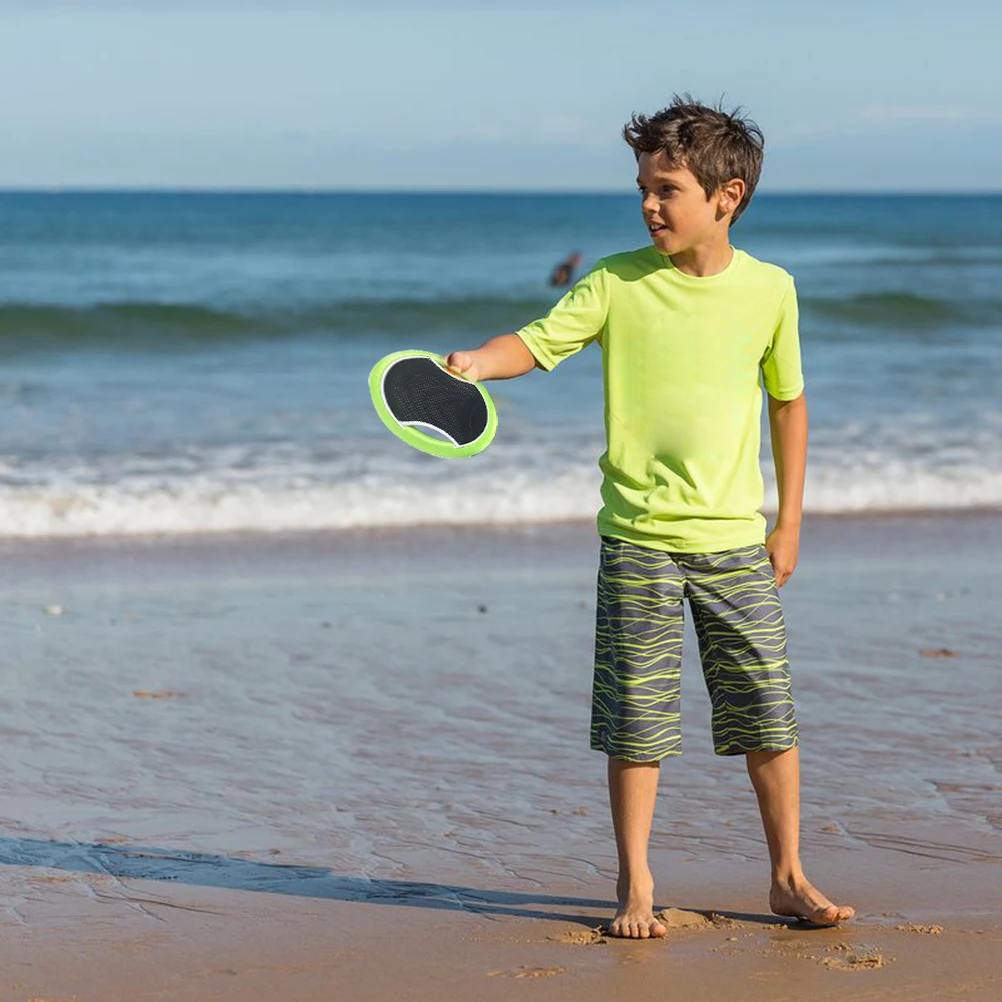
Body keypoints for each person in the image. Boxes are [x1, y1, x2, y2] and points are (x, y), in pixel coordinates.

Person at [444, 93, 855, 940]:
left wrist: (790, 522)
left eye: (666, 187)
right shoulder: (614, 283)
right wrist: (478, 363)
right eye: (642, 186)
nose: (648, 204)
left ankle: (787, 875)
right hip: (636, 540)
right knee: (635, 719)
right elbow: (539, 340)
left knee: (767, 713)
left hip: (735, 540)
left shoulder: (771, 292)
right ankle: (634, 885)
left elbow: (790, 404)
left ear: (726, 196)